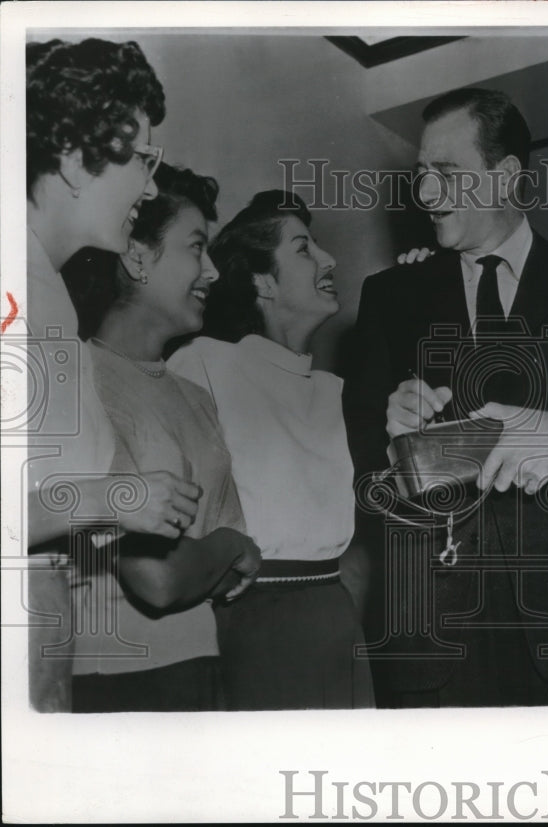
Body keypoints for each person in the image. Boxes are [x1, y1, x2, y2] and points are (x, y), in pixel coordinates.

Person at [343, 87, 548, 707]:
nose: (427, 195)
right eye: (421, 176)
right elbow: (365, 467)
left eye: (447, 173)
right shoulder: (390, 297)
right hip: (434, 633)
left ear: (505, 176)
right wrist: (393, 445)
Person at [23, 37, 205, 711]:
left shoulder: (48, 288)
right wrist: (111, 501)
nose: (152, 186)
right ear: (74, 160)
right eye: (143, 159)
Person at [63, 163, 261, 711]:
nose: (214, 272)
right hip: (119, 681)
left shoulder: (194, 395)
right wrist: (230, 546)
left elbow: (228, 580)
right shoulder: (82, 378)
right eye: (197, 247)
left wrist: (223, 553)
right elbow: (160, 580)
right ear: (138, 256)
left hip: (201, 667)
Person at [167, 191, 374, 710]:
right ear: (262, 279)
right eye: (304, 249)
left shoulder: (334, 391)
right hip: (254, 620)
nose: (330, 261)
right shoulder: (204, 364)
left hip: (335, 618)